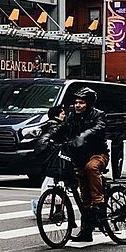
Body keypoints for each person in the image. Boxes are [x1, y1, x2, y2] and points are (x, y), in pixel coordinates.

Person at [45, 86, 109, 242]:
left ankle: (99, 202)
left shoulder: (98, 115)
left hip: (97, 155)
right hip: (78, 157)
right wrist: (46, 137)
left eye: (82, 102)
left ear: (88, 103)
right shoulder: (71, 115)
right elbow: (61, 128)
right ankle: (86, 231)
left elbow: (98, 128)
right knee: (83, 194)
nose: (78, 105)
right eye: (76, 102)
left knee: (91, 168)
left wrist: (83, 136)